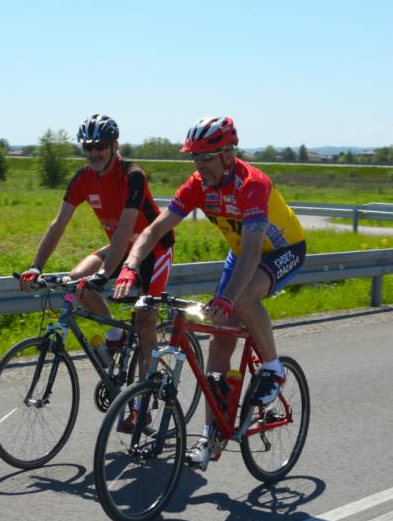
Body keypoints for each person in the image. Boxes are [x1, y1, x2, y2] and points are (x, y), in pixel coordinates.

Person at [113, 116, 306, 468]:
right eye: (195, 158)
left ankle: (274, 368)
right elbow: (154, 230)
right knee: (219, 338)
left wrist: (227, 298)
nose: (199, 166)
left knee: (242, 299)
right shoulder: (198, 185)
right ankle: (209, 435)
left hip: (281, 250)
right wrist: (130, 265)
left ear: (228, 155)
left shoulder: (252, 185)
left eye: (205, 158)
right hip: (241, 253)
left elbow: (253, 253)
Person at [20, 113, 175, 432]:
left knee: (145, 319)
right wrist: (36, 265)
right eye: (88, 147)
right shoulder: (83, 178)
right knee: (75, 284)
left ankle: (141, 406)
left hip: (153, 250)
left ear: (114, 145)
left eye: (100, 146)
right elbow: (59, 223)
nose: (93, 153)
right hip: (120, 247)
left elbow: (126, 230)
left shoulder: (132, 175)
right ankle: (116, 337)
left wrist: (105, 273)